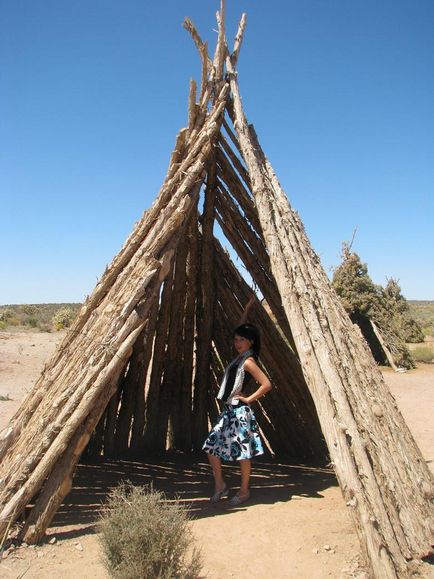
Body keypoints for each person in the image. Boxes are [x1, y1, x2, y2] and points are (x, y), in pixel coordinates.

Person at [202, 298, 272, 506]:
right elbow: (241, 327)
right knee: (211, 448)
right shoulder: (241, 358)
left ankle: (243, 491)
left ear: (250, 342)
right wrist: (247, 309)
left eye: (242, 340)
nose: (237, 342)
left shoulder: (249, 362)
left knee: (242, 454)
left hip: (240, 412)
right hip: (229, 412)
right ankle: (220, 485)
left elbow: (267, 384)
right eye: (236, 339)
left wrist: (248, 399)